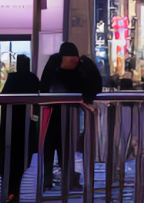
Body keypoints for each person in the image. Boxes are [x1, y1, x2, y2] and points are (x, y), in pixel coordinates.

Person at [38, 42, 103, 190]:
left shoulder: (54, 64)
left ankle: (48, 179)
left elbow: (44, 85)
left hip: (52, 111)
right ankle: (66, 179)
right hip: (70, 113)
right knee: (65, 147)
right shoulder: (80, 67)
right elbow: (92, 87)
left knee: (52, 147)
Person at [0, 54, 41, 203]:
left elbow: (4, 98)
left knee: (9, 161)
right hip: (26, 126)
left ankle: (8, 194)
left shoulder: (12, 79)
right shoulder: (32, 79)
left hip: (10, 128)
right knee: (20, 163)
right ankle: (13, 195)